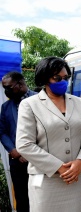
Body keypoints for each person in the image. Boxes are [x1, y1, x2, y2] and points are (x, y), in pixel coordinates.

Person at [15, 56, 81, 212]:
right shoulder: (30, 105)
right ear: (45, 78)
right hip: (46, 180)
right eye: (57, 78)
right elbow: (24, 144)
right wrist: (59, 167)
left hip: (75, 179)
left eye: (65, 78)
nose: (62, 82)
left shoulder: (78, 102)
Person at [0, 71, 37, 212]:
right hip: (18, 162)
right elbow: (2, 132)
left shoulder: (41, 99)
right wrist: (14, 151)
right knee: (22, 199)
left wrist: (31, 153)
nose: (6, 91)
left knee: (40, 197)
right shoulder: (6, 107)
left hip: (40, 161)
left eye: (9, 87)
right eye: (4, 88)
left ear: (20, 84)